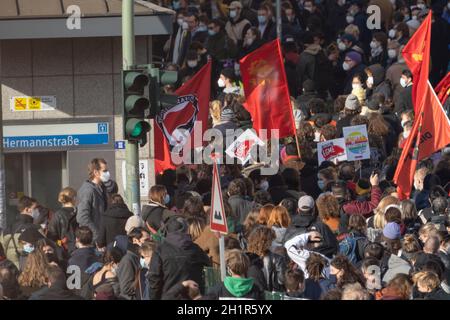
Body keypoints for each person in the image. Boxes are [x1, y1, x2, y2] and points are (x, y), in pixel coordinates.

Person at [148, 216, 211, 300]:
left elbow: (154, 280)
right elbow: (209, 268)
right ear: (186, 230)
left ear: (167, 231)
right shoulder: (196, 249)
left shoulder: (160, 250)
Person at [77, 158, 109, 245]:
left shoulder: (102, 189)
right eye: (104, 171)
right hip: (93, 242)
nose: (107, 173)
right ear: (96, 172)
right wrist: (97, 235)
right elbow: (82, 217)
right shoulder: (88, 190)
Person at [1, 196, 39, 268]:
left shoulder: (7, 230)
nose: (37, 211)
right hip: (30, 272)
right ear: (27, 209)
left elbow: (3, 249)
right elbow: (44, 247)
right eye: (35, 208)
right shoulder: (35, 229)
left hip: (12, 272)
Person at [246, 226, 287, 292]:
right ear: (267, 243)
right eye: (272, 240)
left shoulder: (245, 258)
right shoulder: (277, 259)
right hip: (271, 295)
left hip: (251, 294)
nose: (274, 244)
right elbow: (282, 281)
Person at [117, 227, 150, 300]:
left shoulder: (141, 257)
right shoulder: (128, 260)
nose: (149, 243)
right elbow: (125, 288)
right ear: (135, 240)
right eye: (146, 240)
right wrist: (143, 280)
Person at [47, 187, 78, 253]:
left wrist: (60, 243)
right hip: (79, 248)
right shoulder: (80, 213)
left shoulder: (57, 215)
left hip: (64, 250)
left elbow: (51, 238)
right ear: (74, 198)